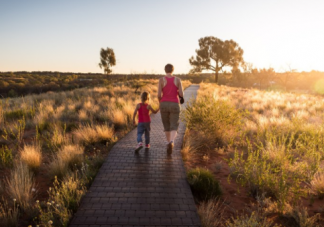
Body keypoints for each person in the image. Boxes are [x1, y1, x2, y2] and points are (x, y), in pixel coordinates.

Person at [158, 63, 184, 154]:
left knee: (166, 126)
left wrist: (160, 104)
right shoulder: (178, 80)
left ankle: (168, 142)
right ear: (173, 70)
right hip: (174, 104)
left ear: (165, 70)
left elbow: (158, 95)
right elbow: (181, 94)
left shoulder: (161, 80)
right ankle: (172, 142)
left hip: (164, 104)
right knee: (174, 125)